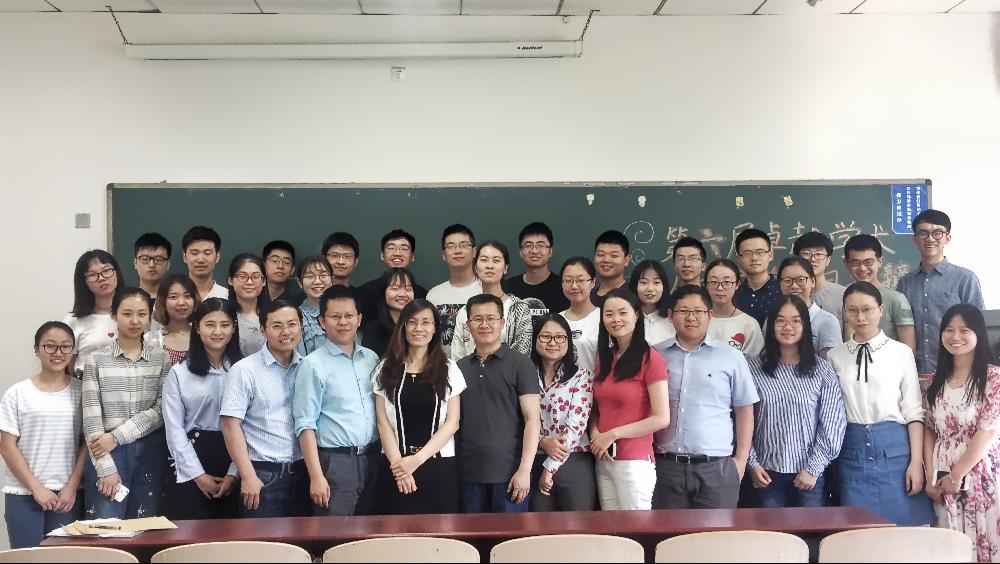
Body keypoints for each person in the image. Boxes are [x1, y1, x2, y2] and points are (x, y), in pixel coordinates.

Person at [827, 281, 935, 526]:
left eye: (867, 309)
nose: (860, 317)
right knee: (858, 531)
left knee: (905, 529)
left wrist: (916, 463)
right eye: (852, 310)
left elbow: (913, 411)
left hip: (896, 451)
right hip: (851, 451)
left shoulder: (901, 352)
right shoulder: (835, 356)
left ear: (880, 310)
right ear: (845, 312)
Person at [652, 285, 757, 510]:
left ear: (709, 315)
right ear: (670, 315)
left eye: (698, 311)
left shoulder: (731, 357)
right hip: (666, 466)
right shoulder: (655, 355)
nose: (691, 317)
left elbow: (745, 409)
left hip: (717, 468)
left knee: (716, 532)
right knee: (669, 532)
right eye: (683, 311)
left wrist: (740, 461)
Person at [747, 296, 846, 508]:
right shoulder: (753, 369)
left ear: (805, 326)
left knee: (810, 529)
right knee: (772, 530)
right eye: (780, 320)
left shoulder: (822, 370)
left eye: (795, 321)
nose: (788, 327)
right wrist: (752, 463)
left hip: (810, 475)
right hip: (765, 473)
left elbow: (833, 423)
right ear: (771, 325)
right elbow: (741, 421)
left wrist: (813, 468)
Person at [82, 288, 171, 519]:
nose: (135, 321)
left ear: (149, 316)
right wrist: (106, 468)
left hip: (149, 451)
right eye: (127, 314)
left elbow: (161, 410)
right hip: (107, 453)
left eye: (142, 314)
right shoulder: (96, 360)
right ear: (114, 315)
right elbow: (91, 418)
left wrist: (117, 436)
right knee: (105, 529)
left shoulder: (161, 358)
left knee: (143, 527)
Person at [294, 286, 380, 516]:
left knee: (370, 532)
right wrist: (316, 477)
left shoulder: (371, 358)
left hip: (372, 458)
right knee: (335, 533)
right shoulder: (312, 365)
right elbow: (304, 424)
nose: (343, 322)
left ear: (359, 319)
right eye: (335, 316)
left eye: (349, 315)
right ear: (322, 321)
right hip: (335, 463)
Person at [923, 304, 1000, 563]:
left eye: (964, 330)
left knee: (985, 542)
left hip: (980, 473)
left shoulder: (994, 378)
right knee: (950, 546)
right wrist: (930, 476)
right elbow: (930, 430)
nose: (955, 336)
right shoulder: (935, 381)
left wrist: (957, 475)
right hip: (942, 477)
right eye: (949, 330)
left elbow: (987, 432)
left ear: (978, 333)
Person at [373, 300, 465, 515]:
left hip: (439, 466)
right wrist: (400, 468)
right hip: (395, 466)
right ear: (403, 327)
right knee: (396, 529)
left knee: (440, 530)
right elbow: (382, 422)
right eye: (412, 322)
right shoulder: (385, 368)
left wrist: (416, 460)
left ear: (434, 328)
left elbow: (452, 423)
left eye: (425, 322)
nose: (419, 328)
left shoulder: (449, 368)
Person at [220, 299, 309, 518]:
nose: (286, 332)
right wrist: (248, 476)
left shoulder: (308, 367)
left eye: (292, 324)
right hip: (263, 475)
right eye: (277, 326)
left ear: (301, 326)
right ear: (263, 330)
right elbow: (230, 426)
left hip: (303, 472)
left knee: (304, 539)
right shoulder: (245, 370)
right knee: (263, 539)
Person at [0, 322, 85, 549]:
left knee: (65, 559)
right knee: (26, 558)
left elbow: (87, 444)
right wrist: (36, 488)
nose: (58, 353)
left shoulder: (82, 391)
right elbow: (7, 446)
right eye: (50, 346)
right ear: (37, 350)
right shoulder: (17, 393)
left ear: (73, 350)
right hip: (23, 493)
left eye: (65, 346)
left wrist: (72, 487)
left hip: (67, 496)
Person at [456, 294, 541, 513]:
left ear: (502, 322)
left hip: (511, 477)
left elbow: (533, 420)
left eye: (491, 318)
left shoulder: (521, 364)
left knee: (511, 536)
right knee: (471, 535)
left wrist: (524, 470)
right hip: (468, 475)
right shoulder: (458, 368)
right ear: (468, 325)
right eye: (477, 319)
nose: (484, 324)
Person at [590, 288, 670, 510]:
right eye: (609, 314)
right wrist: (596, 434)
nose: (615, 319)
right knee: (610, 527)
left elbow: (661, 418)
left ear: (636, 315)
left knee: (635, 527)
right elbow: (597, 409)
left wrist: (613, 434)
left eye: (622, 313)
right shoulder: (604, 359)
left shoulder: (650, 359)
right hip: (604, 458)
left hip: (634, 462)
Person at [161, 298, 241, 520]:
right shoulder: (179, 373)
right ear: (197, 328)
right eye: (210, 324)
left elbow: (252, 424)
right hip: (192, 456)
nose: (218, 332)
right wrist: (197, 475)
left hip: (237, 456)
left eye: (225, 325)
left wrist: (234, 473)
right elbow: (174, 429)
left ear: (234, 328)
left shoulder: (244, 369)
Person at [896, 209, 984, 377]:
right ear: (915, 239)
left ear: (947, 238)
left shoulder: (965, 279)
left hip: (956, 373)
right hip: (915, 373)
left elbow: (978, 327)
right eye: (923, 233)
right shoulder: (905, 283)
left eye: (937, 233)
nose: (930, 239)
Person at [530, 314, 597, 512]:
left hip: (573, 462)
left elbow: (576, 427)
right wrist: (542, 442)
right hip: (533, 460)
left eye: (560, 337)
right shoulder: (524, 375)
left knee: (576, 527)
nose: (553, 343)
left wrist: (549, 468)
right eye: (545, 336)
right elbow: (517, 419)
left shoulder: (581, 376)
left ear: (568, 340)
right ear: (535, 339)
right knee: (539, 527)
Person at [451, 241, 533, 360]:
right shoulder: (465, 311)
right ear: (475, 267)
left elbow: (523, 356)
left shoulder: (519, 308)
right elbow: (458, 356)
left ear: (505, 268)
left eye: (496, 260)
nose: (490, 266)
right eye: (484, 260)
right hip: (470, 372)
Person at [844, 234, 916, 352]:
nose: (862, 268)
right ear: (846, 264)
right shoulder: (846, 298)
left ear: (880, 261)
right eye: (855, 263)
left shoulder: (896, 299)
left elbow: (909, 350)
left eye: (868, 262)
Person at [64, 250, 123, 376]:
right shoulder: (73, 321)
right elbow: (68, 368)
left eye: (106, 270)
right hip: (86, 384)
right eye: (92, 275)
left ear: (116, 273)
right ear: (84, 282)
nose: (101, 278)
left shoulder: (134, 315)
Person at [427, 224, 483, 355]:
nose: (457, 250)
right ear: (443, 255)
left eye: (464, 245)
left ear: (474, 252)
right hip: (442, 365)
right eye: (451, 246)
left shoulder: (486, 289)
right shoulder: (433, 295)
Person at [774, 257, 843, 358]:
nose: (794, 286)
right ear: (780, 284)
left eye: (801, 280)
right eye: (787, 281)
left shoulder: (827, 322)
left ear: (813, 281)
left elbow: (831, 363)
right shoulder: (772, 319)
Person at [357, 230, 428, 322]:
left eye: (404, 249)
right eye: (391, 248)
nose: (397, 253)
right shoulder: (365, 291)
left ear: (412, 257)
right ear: (382, 255)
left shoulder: (422, 294)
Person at [504, 222, 570, 318]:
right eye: (528, 245)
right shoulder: (507, 288)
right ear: (521, 252)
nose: (534, 251)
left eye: (541, 245)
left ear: (550, 251)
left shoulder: (564, 288)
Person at [705, 259, 764, 359]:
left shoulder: (749, 324)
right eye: (714, 282)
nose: (720, 288)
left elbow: (756, 362)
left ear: (737, 285)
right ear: (706, 285)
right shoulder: (696, 320)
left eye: (727, 282)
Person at [794, 231, 846, 329]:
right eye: (806, 253)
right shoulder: (788, 294)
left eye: (819, 254)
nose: (813, 259)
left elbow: (850, 336)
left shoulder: (844, 295)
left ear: (828, 260)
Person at [732, 228, 782, 328]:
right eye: (747, 253)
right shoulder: (732, 294)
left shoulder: (783, 291)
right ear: (739, 258)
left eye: (760, 252)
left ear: (770, 255)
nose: (754, 258)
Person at [361, 268, 416, 357]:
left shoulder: (419, 327)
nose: (402, 294)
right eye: (395, 289)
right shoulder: (373, 330)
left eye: (408, 289)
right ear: (383, 292)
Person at [559, 257, 601, 371]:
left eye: (580, 280)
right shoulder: (556, 320)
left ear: (592, 282)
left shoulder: (603, 319)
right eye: (568, 280)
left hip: (594, 381)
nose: (574, 286)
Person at [148, 274, 200, 366]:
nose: (181, 303)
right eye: (173, 297)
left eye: (187, 296)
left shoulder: (202, 336)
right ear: (163, 301)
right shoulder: (150, 339)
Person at [627, 259, 676, 346]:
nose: (650, 288)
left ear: (664, 286)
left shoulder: (673, 320)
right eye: (644, 282)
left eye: (656, 282)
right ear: (635, 286)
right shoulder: (625, 318)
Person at [227, 254, 267, 357]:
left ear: (263, 281)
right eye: (242, 276)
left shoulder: (274, 314)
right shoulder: (224, 315)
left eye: (256, 276)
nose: (249, 282)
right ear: (230, 280)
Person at [294, 256, 335, 357]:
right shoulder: (296, 317)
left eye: (323, 275)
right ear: (300, 283)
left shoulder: (344, 310)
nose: (317, 281)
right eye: (309, 276)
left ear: (332, 279)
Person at [181, 226, 228, 301]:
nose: (200, 260)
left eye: (207, 253)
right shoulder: (172, 297)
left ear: (217, 256)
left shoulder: (227, 297)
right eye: (194, 253)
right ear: (184, 257)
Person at [591, 230, 631, 308]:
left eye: (614, 255)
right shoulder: (586, 297)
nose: (606, 260)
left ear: (626, 260)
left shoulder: (636, 295)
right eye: (601, 255)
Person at [262, 240, 304, 307]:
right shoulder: (252, 297)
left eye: (286, 262)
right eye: (274, 260)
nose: (280, 266)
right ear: (264, 266)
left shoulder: (297, 303)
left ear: (292, 270)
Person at [133, 233, 171, 305]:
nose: (151, 265)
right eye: (145, 259)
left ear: (168, 264)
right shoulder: (126, 301)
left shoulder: (176, 302)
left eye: (158, 259)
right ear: (135, 263)